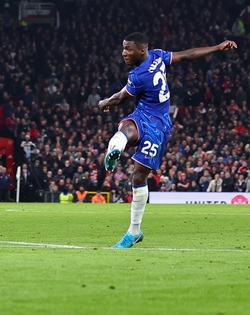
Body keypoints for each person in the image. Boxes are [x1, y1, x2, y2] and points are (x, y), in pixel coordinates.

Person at [99, 32, 237, 248]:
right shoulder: (157, 55)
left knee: (138, 176)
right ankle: (115, 148)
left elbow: (120, 98)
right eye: (123, 48)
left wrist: (104, 102)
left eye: (128, 49)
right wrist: (217, 47)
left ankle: (134, 231)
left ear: (141, 50)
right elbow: (188, 55)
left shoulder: (138, 75)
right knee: (126, 127)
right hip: (146, 116)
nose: (124, 53)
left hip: (158, 126)